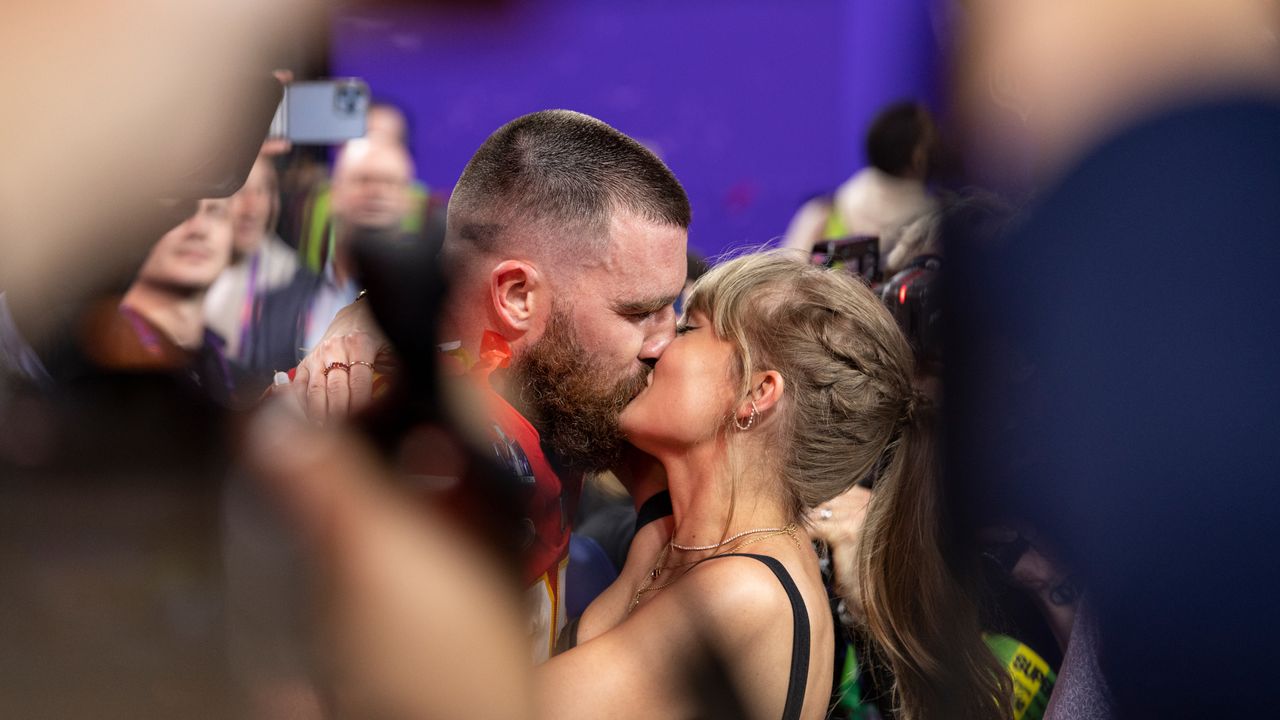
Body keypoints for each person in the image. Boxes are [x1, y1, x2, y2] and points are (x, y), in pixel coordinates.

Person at [286, 109, 691, 662]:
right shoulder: (408, 454)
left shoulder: (553, 388)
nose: (663, 341)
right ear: (518, 295)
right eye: (640, 311)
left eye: (673, 306)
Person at [81, 197, 237, 405]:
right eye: (179, 209)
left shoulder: (226, 365)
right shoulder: (85, 359)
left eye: (215, 211)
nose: (199, 229)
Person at [782, 101, 938, 268]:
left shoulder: (818, 214)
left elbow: (785, 286)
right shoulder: (935, 231)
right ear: (918, 157)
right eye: (935, 136)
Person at [203, 155, 299, 365]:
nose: (252, 208)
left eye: (261, 191)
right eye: (240, 191)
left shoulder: (291, 277)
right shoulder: (188, 267)